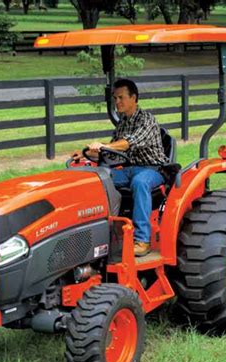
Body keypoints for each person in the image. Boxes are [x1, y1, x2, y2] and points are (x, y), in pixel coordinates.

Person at [71, 79, 168, 257]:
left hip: (153, 169)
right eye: (115, 98)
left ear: (134, 98)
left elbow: (126, 144)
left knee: (140, 182)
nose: (117, 102)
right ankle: (99, 231)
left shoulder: (146, 119)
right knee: (98, 179)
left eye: (121, 97)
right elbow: (112, 152)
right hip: (130, 169)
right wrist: (87, 154)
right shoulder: (123, 123)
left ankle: (142, 240)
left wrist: (102, 145)